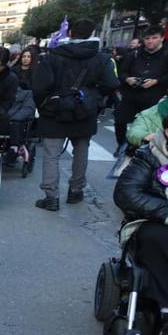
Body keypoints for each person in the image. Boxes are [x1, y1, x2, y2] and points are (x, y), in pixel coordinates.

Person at [31, 18, 119, 211]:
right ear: (92, 34)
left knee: (51, 154)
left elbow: (38, 87)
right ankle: (75, 190)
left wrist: (44, 105)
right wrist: (94, 98)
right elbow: (112, 84)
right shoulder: (101, 58)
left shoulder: (52, 56)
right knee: (81, 150)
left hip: (54, 109)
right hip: (84, 109)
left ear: (70, 33)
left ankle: (51, 196)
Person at [114, 109, 168, 335]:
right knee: (158, 239)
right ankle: (166, 312)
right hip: (154, 222)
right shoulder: (149, 154)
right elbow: (126, 192)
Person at [117, 25, 167, 151]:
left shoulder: (166, 55)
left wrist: (156, 81)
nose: (150, 41)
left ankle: (144, 148)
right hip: (131, 95)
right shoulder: (134, 54)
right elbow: (121, 72)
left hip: (154, 98)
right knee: (120, 121)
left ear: (161, 38)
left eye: (154, 38)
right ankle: (122, 145)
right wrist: (128, 79)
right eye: (147, 38)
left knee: (150, 126)